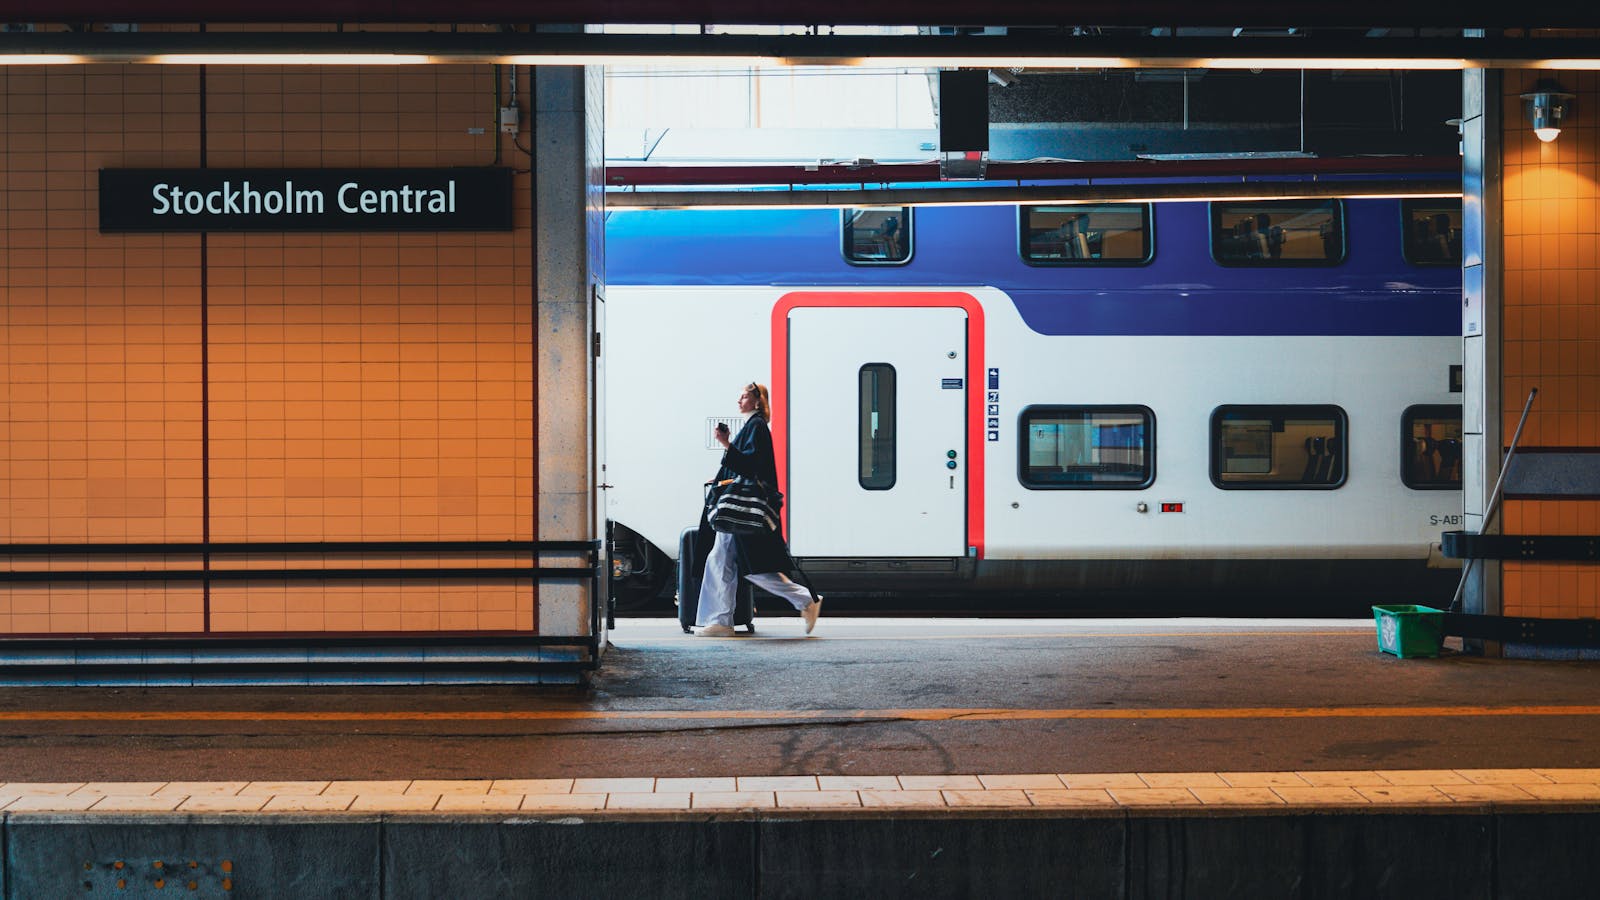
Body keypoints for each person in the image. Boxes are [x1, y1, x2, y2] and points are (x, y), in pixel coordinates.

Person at [696, 382, 823, 637]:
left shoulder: (756, 427)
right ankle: (721, 620)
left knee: (735, 563)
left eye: (744, 396)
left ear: (757, 401)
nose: (739, 400)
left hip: (740, 512)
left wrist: (726, 443)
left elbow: (750, 465)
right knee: (729, 561)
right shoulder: (755, 427)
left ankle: (722, 620)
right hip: (741, 512)